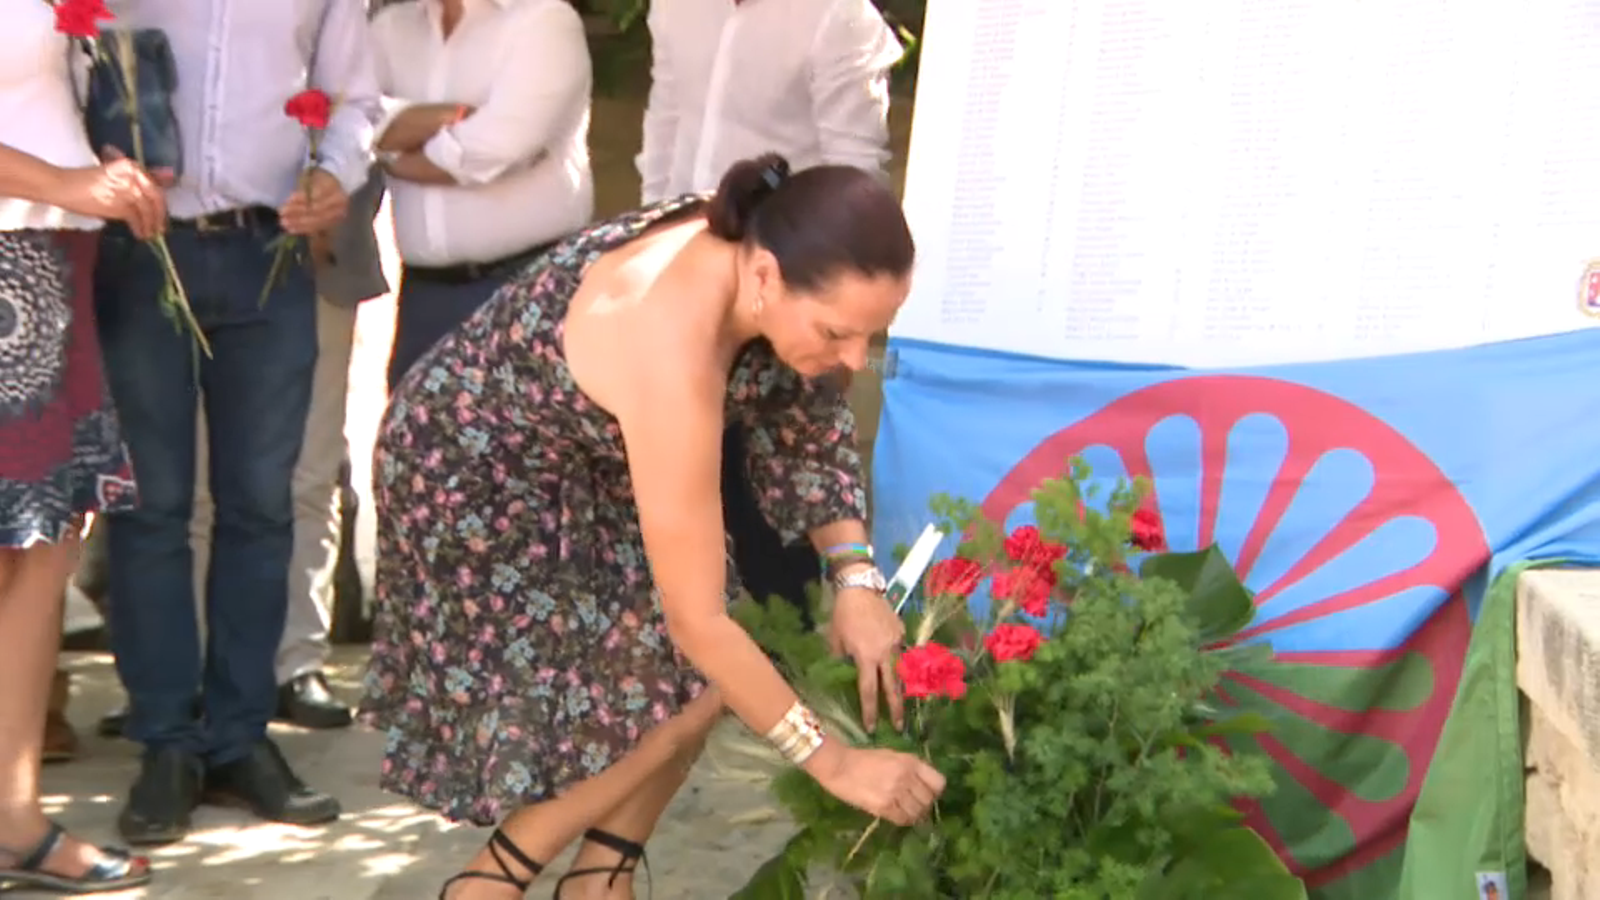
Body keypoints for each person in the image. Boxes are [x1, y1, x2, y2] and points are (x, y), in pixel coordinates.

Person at [361, 155, 945, 899]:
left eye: (870, 336)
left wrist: (856, 578)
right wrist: (836, 765)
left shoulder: (763, 244)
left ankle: (598, 883)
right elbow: (698, 626)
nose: (854, 359)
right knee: (699, 669)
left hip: (584, 454)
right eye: (836, 332)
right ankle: (486, 888)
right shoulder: (671, 343)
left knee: (700, 670)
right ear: (766, 276)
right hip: (469, 472)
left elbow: (808, 421)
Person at [92, 0, 380, 845]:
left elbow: (357, 100)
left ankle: (240, 738)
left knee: (260, 505)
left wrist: (336, 173)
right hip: (141, 250)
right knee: (150, 508)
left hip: (269, 254)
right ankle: (165, 743)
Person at [639, 0, 905, 631]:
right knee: (671, 535)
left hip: (788, 309)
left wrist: (833, 333)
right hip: (676, 302)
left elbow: (854, 170)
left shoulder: (840, 16)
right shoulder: (674, 8)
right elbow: (663, 137)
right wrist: (648, 261)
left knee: (774, 545)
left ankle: (782, 672)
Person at [0, 0, 164, 890]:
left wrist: (96, 171)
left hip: (50, 257)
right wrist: (64, 183)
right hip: (12, 258)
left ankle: (13, 821)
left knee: (42, 549)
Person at [371, 0, 594, 390]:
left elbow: (494, 151)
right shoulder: (390, 28)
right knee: (413, 428)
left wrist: (391, 152)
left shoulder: (543, 20)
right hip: (424, 298)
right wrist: (452, 117)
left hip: (527, 289)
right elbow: (349, 119)